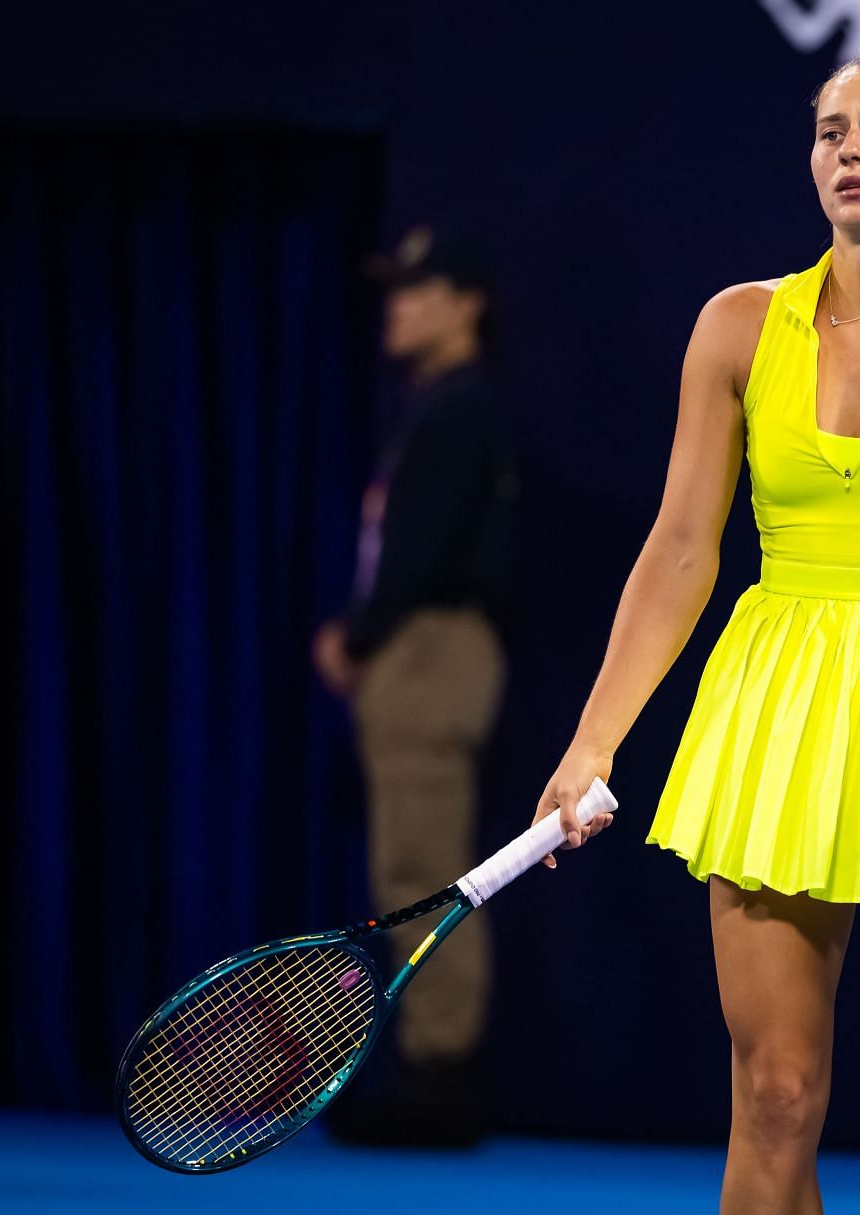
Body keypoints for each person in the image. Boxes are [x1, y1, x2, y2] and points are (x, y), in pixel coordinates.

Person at [532, 55, 860, 1214]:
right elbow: (681, 551)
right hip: (781, 711)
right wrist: (592, 745)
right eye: (831, 132)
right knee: (773, 1095)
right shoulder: (737, 326)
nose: (849, 151)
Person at [312, 224, 517, 1146]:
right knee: (412, 861)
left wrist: (359, 635)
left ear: (466, 303)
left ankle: (443, 1075)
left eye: (419, 290)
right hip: (418, 646)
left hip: (432, 649)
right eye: (393, 291)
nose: (397, 307)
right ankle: (433, 1063)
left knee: (428, 869)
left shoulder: (463, 409)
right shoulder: (436, 405)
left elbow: (424, 553)